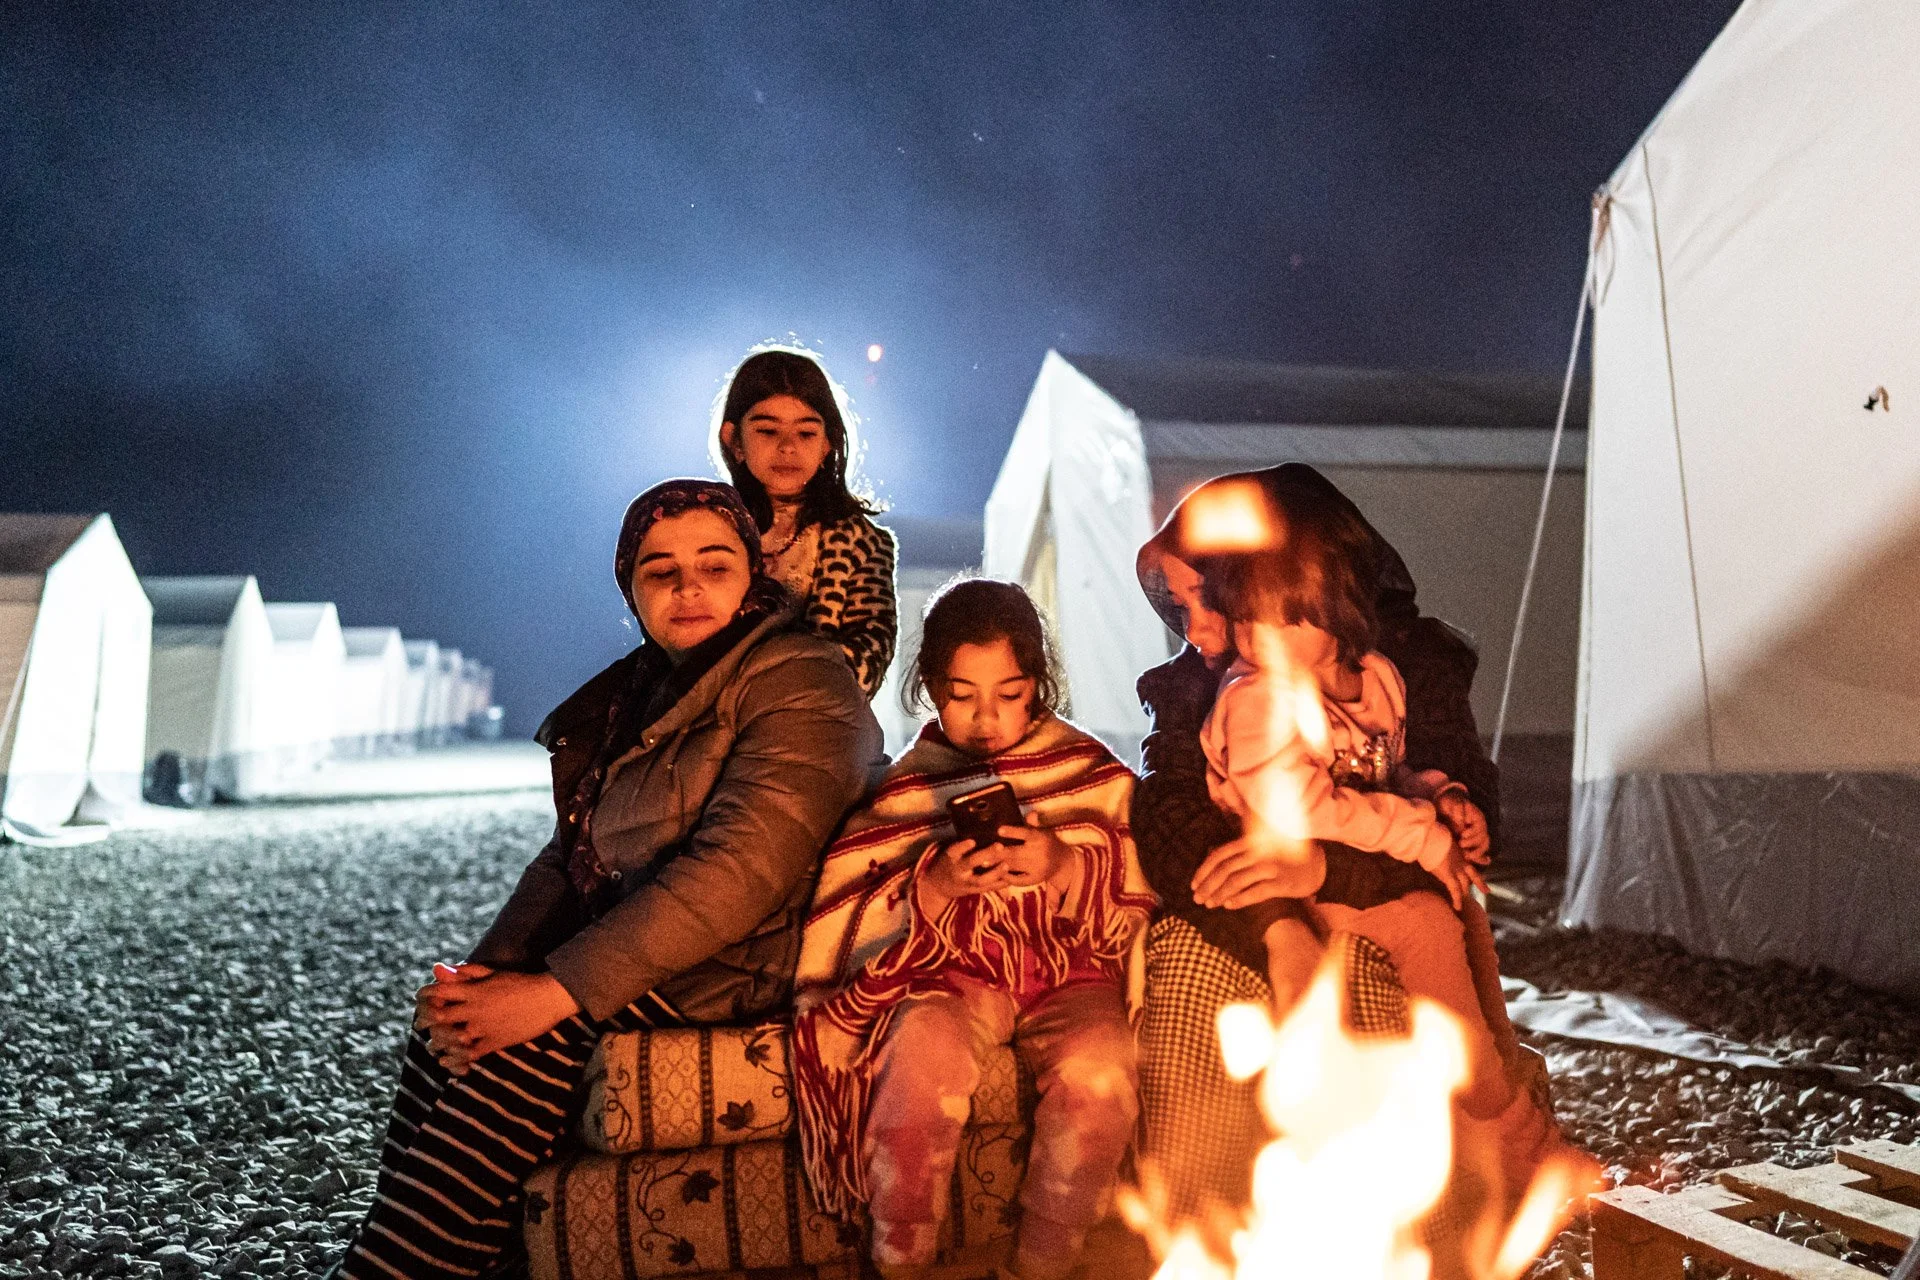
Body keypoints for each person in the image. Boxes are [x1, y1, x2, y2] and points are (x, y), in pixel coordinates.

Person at [331, 479, 884, 1280]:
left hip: (744, 955)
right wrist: (488, 971)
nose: (686, 586)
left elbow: (742, 870)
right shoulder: (644, 684)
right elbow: (571, 850)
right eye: (659, 570)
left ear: (751, 574)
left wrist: (550, 993)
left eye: (713, 564)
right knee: (446, 1036)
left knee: (511, 1054)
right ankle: (434, 1252)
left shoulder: (799, 676)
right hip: (650, 942)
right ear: (630, 587)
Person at [1130, 464, 1527, 1221]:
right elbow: (1172, 819)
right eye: (1182, 609)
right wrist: (1279, 924)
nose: (1200, 631)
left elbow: (1456, 834)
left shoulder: (1400, 668)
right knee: (1184, 983)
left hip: (1384, 913)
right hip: (1242, 920)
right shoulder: (1200, 684)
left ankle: (1403, 1234)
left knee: (1388, 1020)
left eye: (1209, 598)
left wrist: (1325, 861)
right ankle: (1197, 1238)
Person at [789, 579, 1156, 1280]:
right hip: (953, 978)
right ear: (928, 686)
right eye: (961, 695)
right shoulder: (908, 787)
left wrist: (1061, 865)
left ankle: (1044, 1263)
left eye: (1010, 693)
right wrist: (935, 885)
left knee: (1103, 1066)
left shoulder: (1086, 770)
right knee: (920, 1049)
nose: (986, 716)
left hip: (1070, 977)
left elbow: (1133, 889)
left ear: (1039, 683)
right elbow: (858, 901)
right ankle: (901, 1256)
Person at [1186, 478, 1509, 1123]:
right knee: (1425, 925)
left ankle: (1490, 1101)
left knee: (1466, 912)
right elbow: (1298, 807)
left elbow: (1385, 770)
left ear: (1336, 615)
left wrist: (1438, 798)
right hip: (1290, 880)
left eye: (1278, 619)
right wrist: (1421, 835)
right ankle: (1489, 1104)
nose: (1251, 640)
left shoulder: (1379, 680)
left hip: (1357, 861)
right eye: (1244, 619)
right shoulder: (1256, 699)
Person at [713, 346, 898, 697]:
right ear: (734, 440)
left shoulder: (861, 543)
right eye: (767, 431)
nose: (787, 447)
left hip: (814, 728)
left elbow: (871, 655)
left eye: (806, 433)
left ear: (827, 443)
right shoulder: (710, 527)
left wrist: (780, 678)